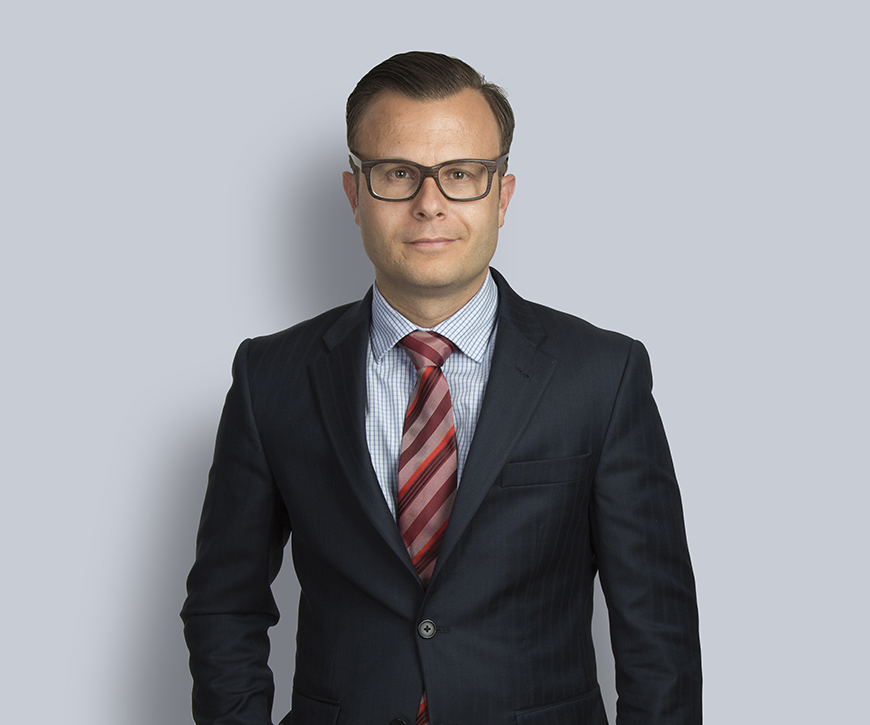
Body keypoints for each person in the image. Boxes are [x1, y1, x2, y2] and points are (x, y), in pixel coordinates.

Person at [181, 51, 702, 725]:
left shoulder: (602, 375)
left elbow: (657, 629)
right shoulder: (270, 376)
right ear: (355, 195)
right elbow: (225, 605)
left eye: (460, 174)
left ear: (501, 196)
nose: (429, 203)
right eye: (398, 173)